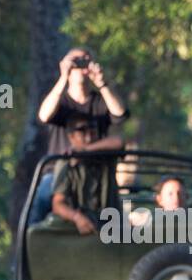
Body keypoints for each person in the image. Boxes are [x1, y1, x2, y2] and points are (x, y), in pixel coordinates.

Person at [30, 48, 128, 223]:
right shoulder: (61, 101)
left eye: (85, 60)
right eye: (75, 61)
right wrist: (63, 78)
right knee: (44, 195)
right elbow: (44, 115)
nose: (81, 65)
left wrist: (102, 83)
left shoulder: (100, 100)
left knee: (110, 201)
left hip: (96, 171)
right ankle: (29, 246)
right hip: (58, 171)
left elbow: (120, 115)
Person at [49, 115, 120, 235]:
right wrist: (77, 217)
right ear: (71, 137)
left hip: (112, 227)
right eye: (82, 130)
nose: (89, 135)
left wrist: (87, 150)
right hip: (81, 231)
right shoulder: (66, 164)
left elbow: (119, 142)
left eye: (92, 129)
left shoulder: (106, 156)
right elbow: (58, 204)